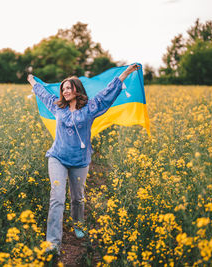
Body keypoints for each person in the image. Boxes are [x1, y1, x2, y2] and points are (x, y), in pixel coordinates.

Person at [27, 63, 140, 254]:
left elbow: (107, 94)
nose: (65, 91)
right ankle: (53, 243)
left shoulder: (90, 108)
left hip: (80, 161)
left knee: (78, 199)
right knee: (57, 197)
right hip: (58, 158)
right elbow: (44, 95)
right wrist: (32, 81)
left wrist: (126, 73)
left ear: (76, 90)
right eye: (63, 89)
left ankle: (78, 224)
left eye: (69, 88)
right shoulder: (58, 107)